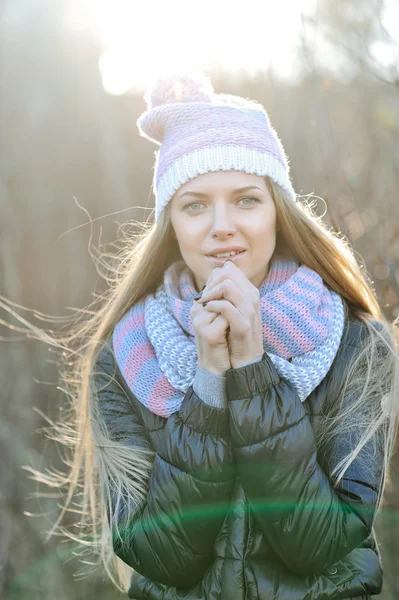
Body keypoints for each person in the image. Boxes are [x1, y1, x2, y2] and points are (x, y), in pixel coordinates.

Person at [30, 71, 399, 599]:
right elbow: (164, 558)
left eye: (247, 199)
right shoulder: (126, 357)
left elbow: (322, 545)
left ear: (278, 211)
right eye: (195, 204)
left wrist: (252, 368)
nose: (221, 225)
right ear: (172, 224)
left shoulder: (357, 344)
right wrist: (207, 380)